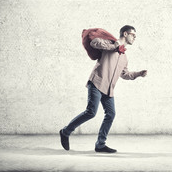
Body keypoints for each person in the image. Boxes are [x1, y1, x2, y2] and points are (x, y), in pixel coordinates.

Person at [59, 25, 147, 153]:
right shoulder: (109, 44)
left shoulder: (124, 57)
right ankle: (65, 132)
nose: (135, 37)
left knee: (111, 114)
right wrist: (114, 45)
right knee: (91, 112)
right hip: (97, 82)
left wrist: (139, 74)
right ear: (125, 34)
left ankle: (100, 144)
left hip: (109, 89)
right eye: (133, 35)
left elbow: (125, 74)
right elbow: (94, 42)